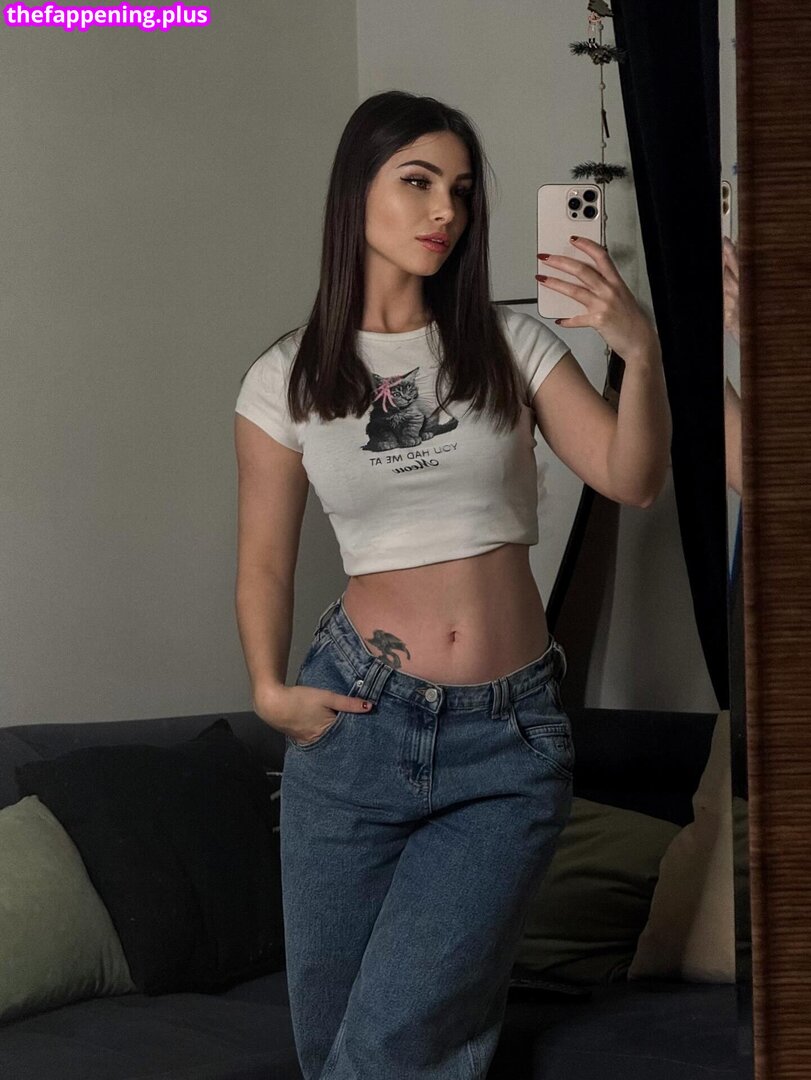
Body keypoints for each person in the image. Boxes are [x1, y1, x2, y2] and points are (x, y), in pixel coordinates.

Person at [233, 90, 670, 1080]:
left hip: (504, 740)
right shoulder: (285, 378)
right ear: (356, 192)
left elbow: (633, 479)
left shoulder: (511, 346)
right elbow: (263, 559)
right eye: (418, 182)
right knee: (334, 1043)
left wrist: (639, 351)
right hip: (355, 725)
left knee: (392, 1043)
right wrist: (266, 688)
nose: (445, 212)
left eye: (462, 192)